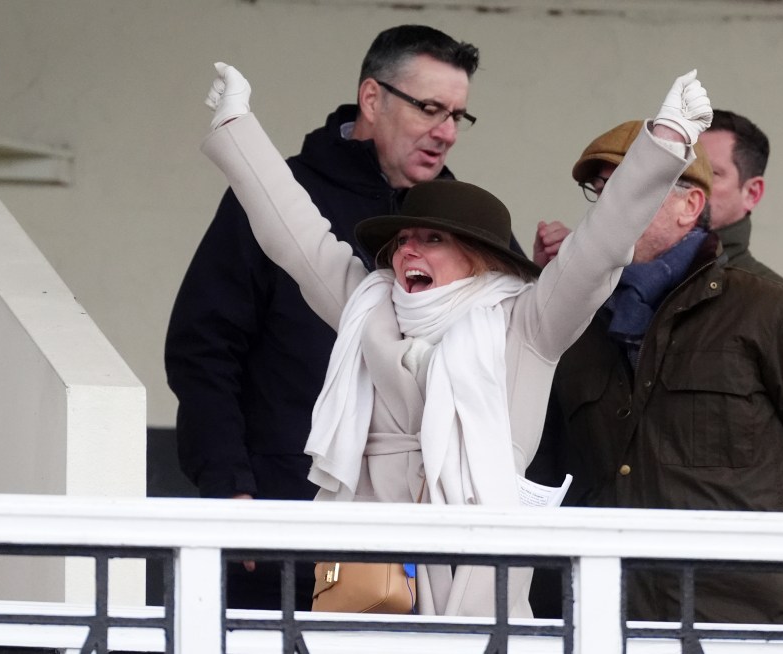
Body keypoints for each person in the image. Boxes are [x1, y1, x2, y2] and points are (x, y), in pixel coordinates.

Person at [199, 62, 712, 616]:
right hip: (370, 587)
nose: (407, 252)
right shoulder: (369, 306)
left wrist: (666, 140)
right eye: (402, 240)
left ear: (479, 259)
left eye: (432, 239)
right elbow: (295, 233)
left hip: (476, 583)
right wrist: (236, 125)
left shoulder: (528, 321)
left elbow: (601, 244)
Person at [165, 25, 486, 609]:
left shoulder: (465, 222)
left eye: (458, 116)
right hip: (283, 523)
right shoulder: (281, 195)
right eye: (431, 109)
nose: (446, 133)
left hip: (429, 539)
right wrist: (230, 488)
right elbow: (203, 349)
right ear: (372, 99)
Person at [530, 119, 783, 625]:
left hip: (749, 626)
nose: (608, 207)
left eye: (633, 187)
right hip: (606, 621)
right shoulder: (574, 316)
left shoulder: (771, 309)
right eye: (602, 191)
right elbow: (544, 476)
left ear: (690, 206)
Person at [698, 108, 783, 283]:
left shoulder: (782, 306)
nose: (685, 184)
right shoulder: (634, 279)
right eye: (677, 171)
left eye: (709, 173)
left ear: (751, 193)